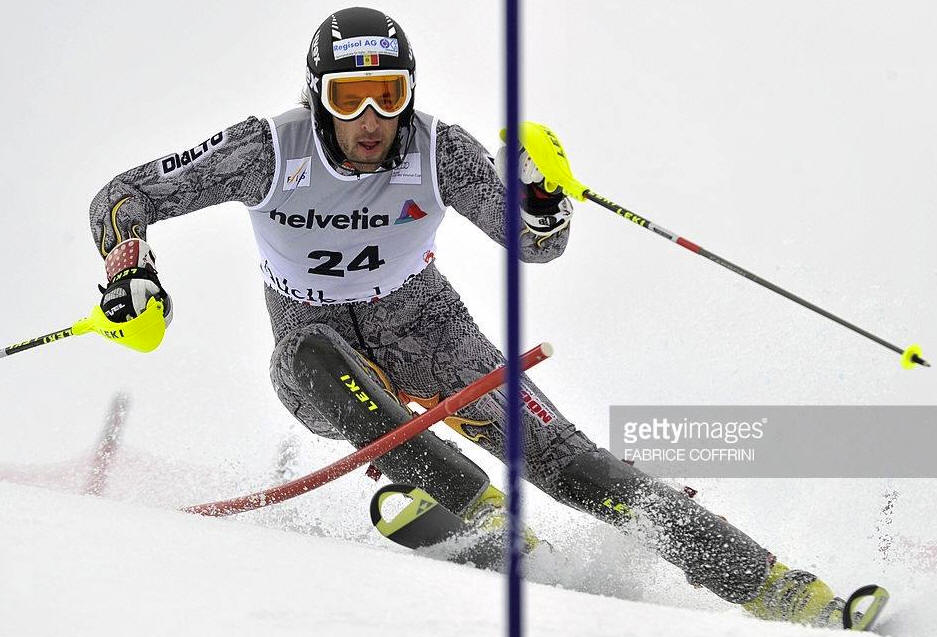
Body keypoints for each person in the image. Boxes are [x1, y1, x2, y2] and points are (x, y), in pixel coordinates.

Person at [89, 7, 864, 629]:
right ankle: (474, 507)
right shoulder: (265, 150)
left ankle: (784, 590)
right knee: (307, 354)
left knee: (574, 464)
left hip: (429, 329)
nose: (370, 119)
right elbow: (124, 194)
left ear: (410, 93)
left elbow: (534, 246)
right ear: (315, 96)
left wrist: (542, 199)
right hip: (316, 352)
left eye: (389, 95)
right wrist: (130, 266)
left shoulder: (439, 151)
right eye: (349, 99)